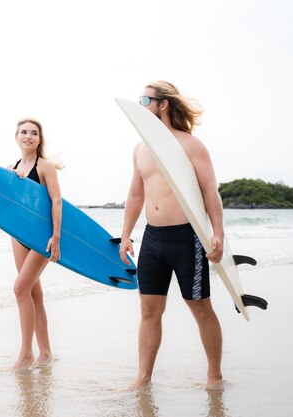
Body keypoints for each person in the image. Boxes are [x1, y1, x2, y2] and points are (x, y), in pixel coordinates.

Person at [119, 81, 224, 387]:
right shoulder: (140, 149)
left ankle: (214, 375)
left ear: (162, 104)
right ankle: (143, 377)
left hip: (187, 238)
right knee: (149, 310)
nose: (140, 106)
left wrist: (218, 233)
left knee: (200, 307)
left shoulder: (191, 145)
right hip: (153, 239)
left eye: (144, 100)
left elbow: (210, 192)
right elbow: (136, 195)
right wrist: (126, 234)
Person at [9, 118, 62, 370]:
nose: (28, 136)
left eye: (33, 133)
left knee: (20, 289)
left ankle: (26, 352)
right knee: (33, 292)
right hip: (19, 235)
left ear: (40, 139)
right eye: (23, 132)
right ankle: (46, 353)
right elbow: (5, 204)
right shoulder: (11, 168)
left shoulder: (45, 167)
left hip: (42, 236)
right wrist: (12, 180)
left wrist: (56, 236)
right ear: (16, 137)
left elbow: (57, 201)